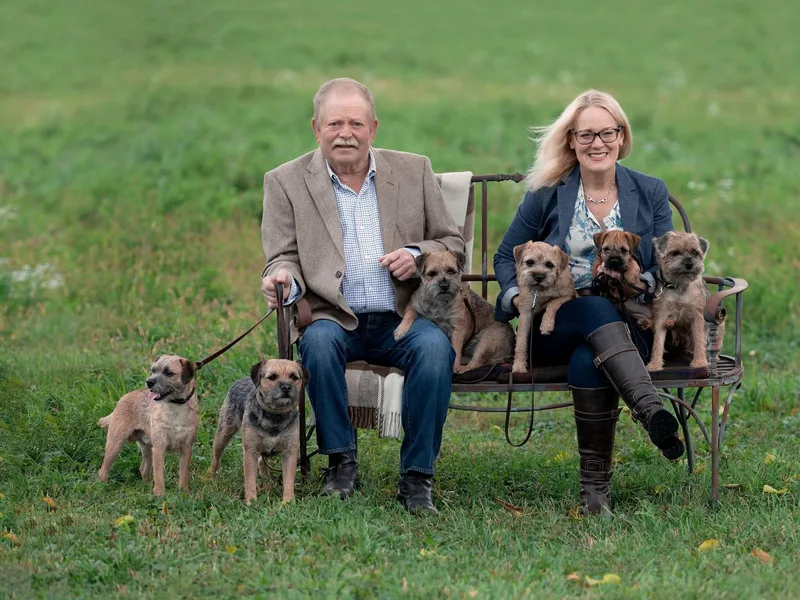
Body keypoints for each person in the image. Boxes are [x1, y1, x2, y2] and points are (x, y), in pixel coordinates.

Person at [260, 78, 464, 515]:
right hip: (335, 316)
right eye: (335, 123)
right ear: (316, 128)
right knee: (315, 343)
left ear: (374, 127)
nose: (345, 133)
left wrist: (417, 253)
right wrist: (281, 278)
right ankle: (341, 462)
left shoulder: (413, 170)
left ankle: (417, 476)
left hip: (404, 316)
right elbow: (282, 257)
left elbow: (451, 241)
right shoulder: (285, 181)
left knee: (433, 351)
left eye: (356, 123)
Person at [493, 89, 684, 516]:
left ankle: (595, 495)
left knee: (588, 359)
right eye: (586, 135)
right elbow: (505, 255)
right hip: (550, 323)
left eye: (607, 132)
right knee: (592, 310)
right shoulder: (547, 192)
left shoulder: (649, 190)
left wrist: (643, 279)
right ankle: (650, 409)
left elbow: (662, 263)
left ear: (622, 137)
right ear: (571, 141)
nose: (597, 143)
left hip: (627, 325)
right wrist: (514, 296)